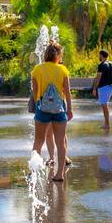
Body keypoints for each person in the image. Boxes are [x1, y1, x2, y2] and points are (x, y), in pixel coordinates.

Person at [30, 42, 73, 183]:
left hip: (42, 109)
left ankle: (33, 171)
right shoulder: (63, 70)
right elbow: (67, 93)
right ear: (58, 55)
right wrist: (70, 109)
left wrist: (38, 106)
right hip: (59, 109)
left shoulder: (37, 69)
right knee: (61, 142)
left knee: (38, 141)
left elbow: (35, 92)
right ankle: (59, 174)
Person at [91, 49, 112, 132]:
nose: (99, 57)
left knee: (104, 106)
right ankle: (106, 123)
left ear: (101, 55)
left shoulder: (101, 65)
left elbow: (98, 78)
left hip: (103, 87)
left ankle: (107, 124)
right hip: (110, 87)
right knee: (105, 105)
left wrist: (94, 89)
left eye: (99, 55)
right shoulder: (111, 64)